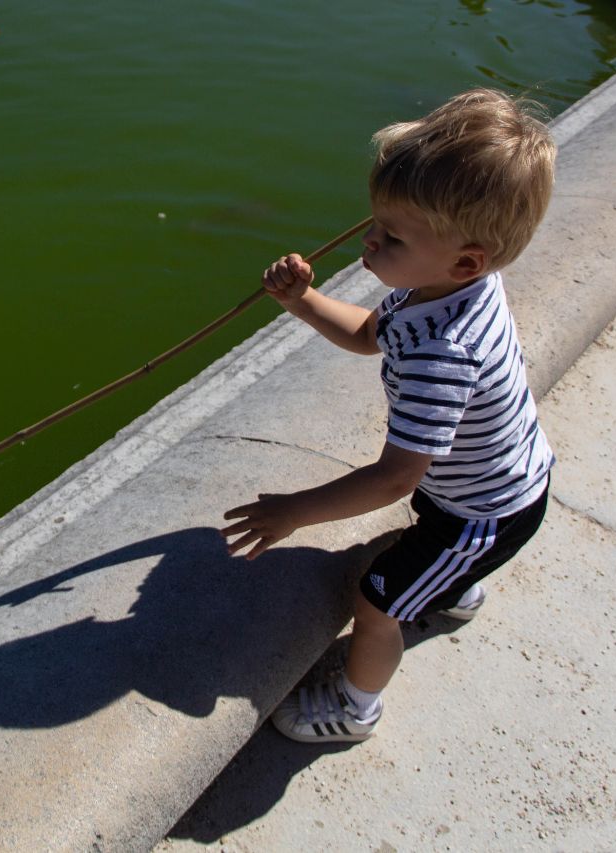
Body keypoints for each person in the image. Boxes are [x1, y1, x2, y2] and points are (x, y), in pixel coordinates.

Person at [221, 88, 557, 742]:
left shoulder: (444, 354)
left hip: (482, 514)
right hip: (486, 485)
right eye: (374, 224)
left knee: (376, 602)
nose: (370, 243)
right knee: (422, 542)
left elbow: (393, 479)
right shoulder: (445, 285)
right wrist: (304, 301)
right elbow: (372, 332)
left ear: (467, 258)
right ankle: (452, 590)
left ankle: (355, 707)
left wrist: (294, 510)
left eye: (391, 236)